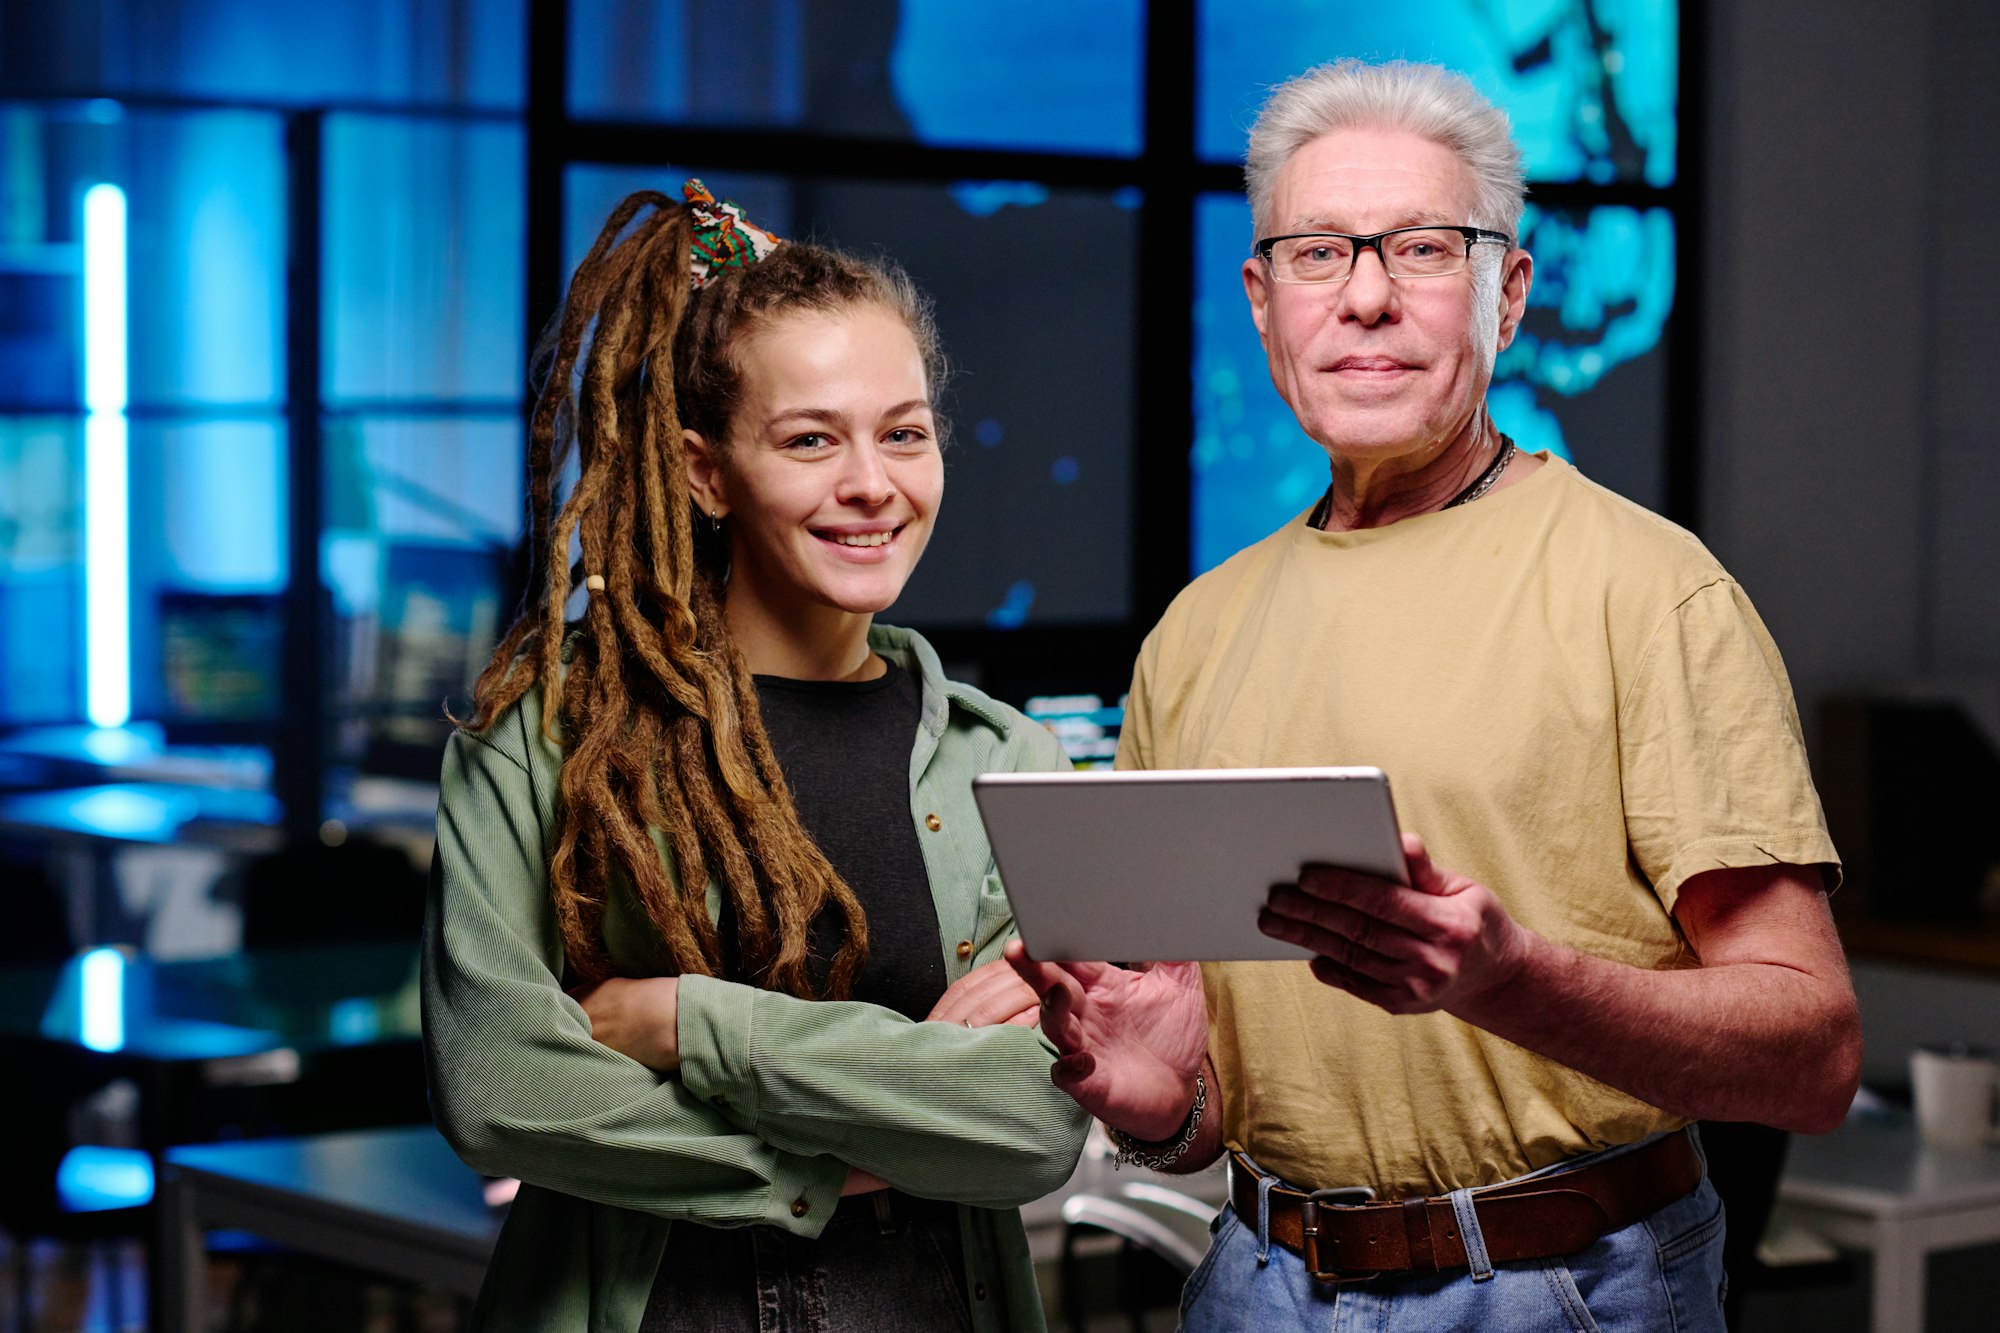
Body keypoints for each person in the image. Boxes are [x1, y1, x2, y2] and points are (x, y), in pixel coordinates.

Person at [1006, 60, 1862, 1331]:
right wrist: (1166, 1102)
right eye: (1315, 253)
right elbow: (1228, 1099)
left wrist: (1511, 980)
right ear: (1261, 301)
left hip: (1558, 1289)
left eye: (1419, 248)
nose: (1364, 297)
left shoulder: (1649, 591)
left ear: (1505, 292)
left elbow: (1813, 1058)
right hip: (1254, 1282)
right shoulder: (1192, 636)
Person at [422, 183, 1088, 1332]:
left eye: (903, 432)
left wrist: (690, 1023)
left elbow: (1031, 1121)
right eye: (809, 439)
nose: (870, 483)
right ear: (704, 471)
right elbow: (497, 1088)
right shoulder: (549, 735)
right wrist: (850, 1155)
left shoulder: (1009, 762)